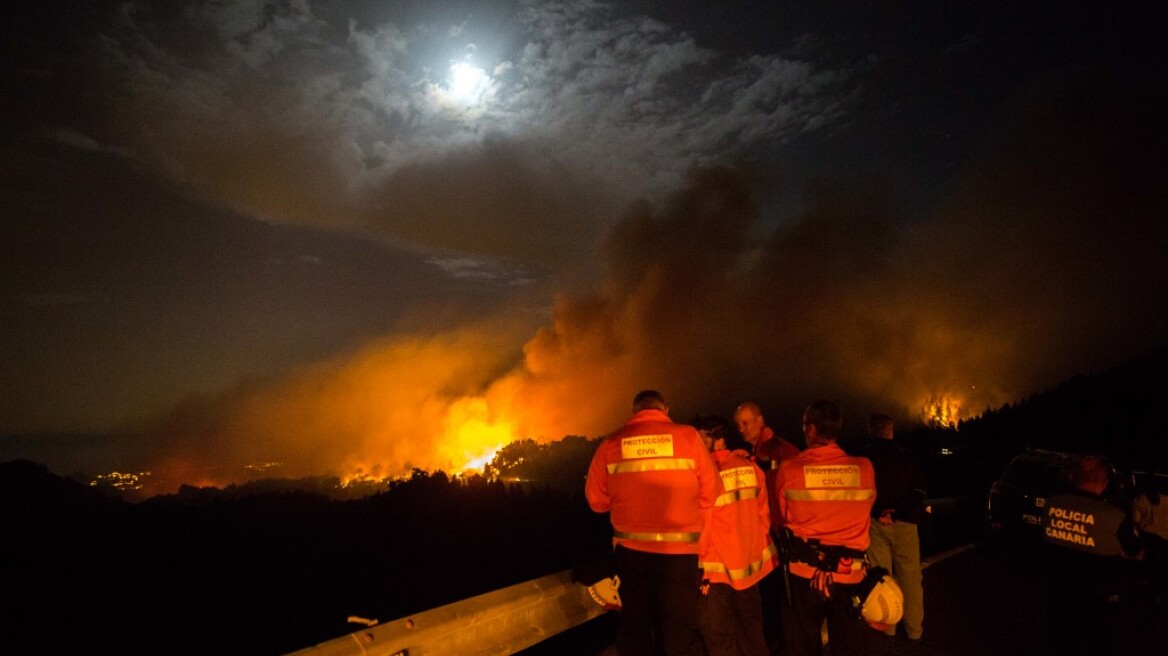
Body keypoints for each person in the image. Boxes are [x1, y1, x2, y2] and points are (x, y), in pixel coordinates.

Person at [586, 390, 718, 656]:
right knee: (678, 632)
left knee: (634, 629)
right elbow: (712, 493)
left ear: (634, 411)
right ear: (665, 410)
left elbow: (595, 502)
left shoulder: (612, 443)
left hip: (631, 557)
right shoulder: (689, 437)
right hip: (680, 557)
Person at [774, 400, 876, 656]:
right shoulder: (864, 468)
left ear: (811, 429)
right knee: (850, 645)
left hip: (803, 576)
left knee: (801, 645)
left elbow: (783, 516)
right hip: (849, 575)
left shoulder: (790, 469)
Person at [1041, 455, 1146, 655]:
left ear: (1072, 478)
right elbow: (1136, 553)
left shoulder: (1052, 505)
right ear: (1105, 481)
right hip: (1099, 603)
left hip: (1059, 596)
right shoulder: (1114, 516)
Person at [693, 414, 777, 656]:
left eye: (699, 438)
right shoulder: (751, 468)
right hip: (749, 571)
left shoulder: (702, 476)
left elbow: (702, 524)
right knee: (752, 635)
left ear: (716, 439)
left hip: (713, 572)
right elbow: (763, 517)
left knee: (720, 640)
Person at [863, 413, 926, 640]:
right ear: (891, 431)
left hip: (875, 523)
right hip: (906, 523)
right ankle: (914, 631)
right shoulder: (906, 457)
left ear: (871, 430)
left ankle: (887, 627)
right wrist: (897, 512)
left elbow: (860, 493)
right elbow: (919, 492)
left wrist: (880, 511)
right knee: (910, 577)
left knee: (882, 577)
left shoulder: (864, 458)